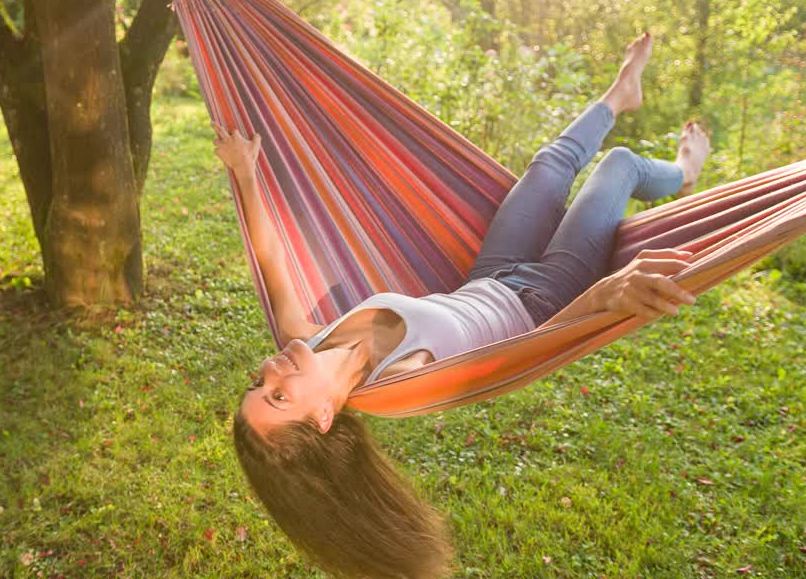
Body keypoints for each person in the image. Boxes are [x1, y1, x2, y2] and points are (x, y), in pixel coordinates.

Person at [221, 32, 710, 579]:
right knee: (617, 165)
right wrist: (609, 293)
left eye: (255, 385)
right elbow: (525, 354)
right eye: (279, 396)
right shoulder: (403, 380)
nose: (270, 371)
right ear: (324, 417)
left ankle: (621, 94)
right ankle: (684, 174)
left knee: (549, 163)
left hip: (489, 274)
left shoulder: (311, 341)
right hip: (544, 298)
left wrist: (244, 172)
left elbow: (271, 265)